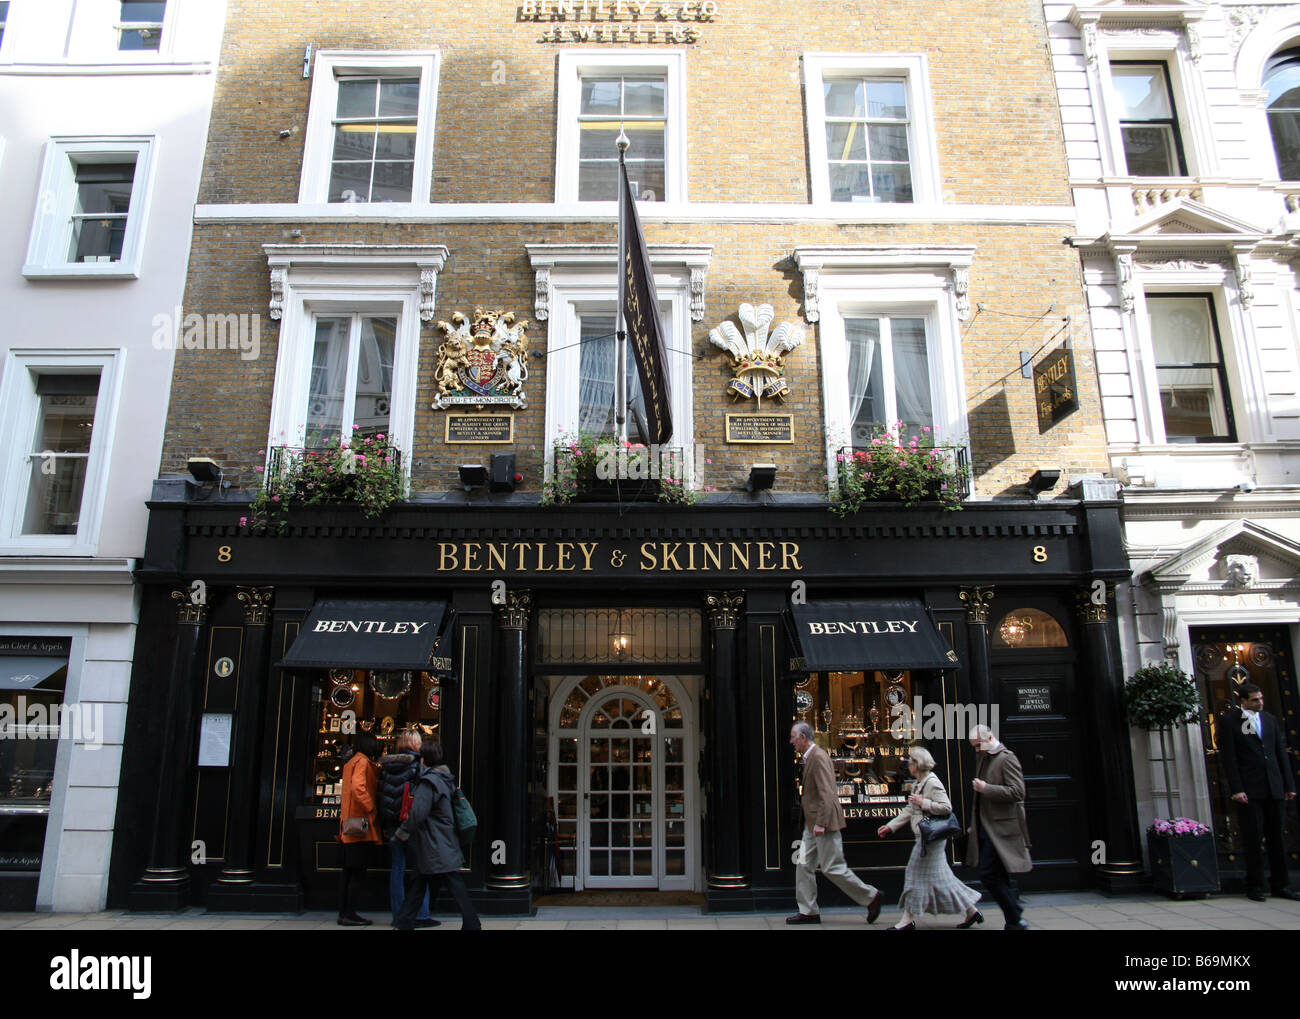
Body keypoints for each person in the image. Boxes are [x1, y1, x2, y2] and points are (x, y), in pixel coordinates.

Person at [787, 722, 883, 925]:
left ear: (803, 738)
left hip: (823, 823)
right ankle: (808, 911)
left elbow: (827, 793)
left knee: (833, 867)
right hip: (811, 824)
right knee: (803, 864)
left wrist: (821, 823)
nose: (791, 741)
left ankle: (871, 897)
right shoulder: (810, 757)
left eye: (793, 737)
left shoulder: (819, 757)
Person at [877, 747, 981, 930]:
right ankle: (971, 911)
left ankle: (907, 920)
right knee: (943, 879)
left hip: (930, 841)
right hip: (925, 838)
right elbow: (911, 809)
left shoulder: (932, 782)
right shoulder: (919, 782)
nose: (907, 764)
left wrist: (923, 802)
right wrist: (891, 826)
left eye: (910, 762)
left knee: (912, 874)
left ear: (917, 764)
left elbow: (946, 807)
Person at [1217, 684, 1299, 902]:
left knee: (1277, 839)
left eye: (1261, 699)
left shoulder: (1270, 720)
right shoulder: (1230, 722)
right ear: (1243, 701)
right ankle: (1255, 885)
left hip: (1274, 787)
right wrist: (1237, 789)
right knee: (1253, 839)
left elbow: (1280, 753)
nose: (1259, 703)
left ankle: (1281, 884)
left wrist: (1289, 785)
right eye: (1254, 700)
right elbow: (1230, 758)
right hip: (1249, 790)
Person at [393, 742, 482, 931]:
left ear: (424, 760)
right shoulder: (444, 779)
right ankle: (404, 922)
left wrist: (401, 833)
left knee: (445, 884)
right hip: (442, 841)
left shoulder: (429, 782)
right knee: (421, 883)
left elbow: (417, 813)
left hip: (434, 842)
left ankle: (472, 923)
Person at [966, 724, 1032, 930]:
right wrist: (973, 825)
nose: (976, 750)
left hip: (1002, 829)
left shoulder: (1007, 758)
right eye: (974, 747)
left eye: (978, 745)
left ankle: (1015, 916)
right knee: (997, 874)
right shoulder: (984, 757)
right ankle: (1014, 919)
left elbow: (1017, 792)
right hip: (986, 827)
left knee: (988, 874)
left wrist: (987, 788)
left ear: (990, 737)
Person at [378, 729, 435, 927]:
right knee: (421, 867)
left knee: (398, 867)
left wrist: (386, 822)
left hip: (393, 824)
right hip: (413, 823)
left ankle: (399, 915)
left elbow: (382, 795)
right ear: (416, 744)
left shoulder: (386, 766)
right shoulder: (418, 765)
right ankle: (421, 913)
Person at [337, 732, 381, 927]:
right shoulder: (362, 762)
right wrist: (371, 807)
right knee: (357, 872)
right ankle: (349, 913)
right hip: (359, 823)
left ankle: (344, 912)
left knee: (348, 872)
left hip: (348, 823)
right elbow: (358, 788)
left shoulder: (351, 761)